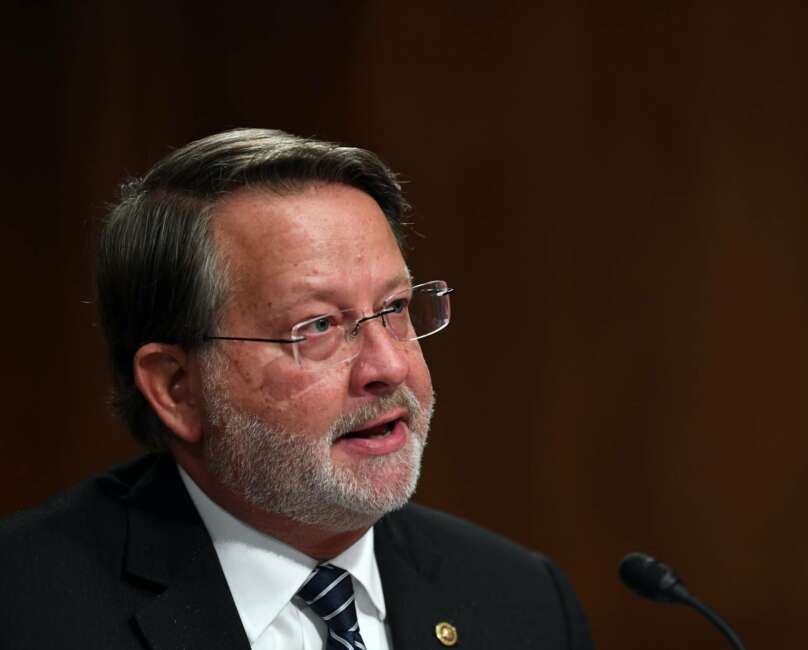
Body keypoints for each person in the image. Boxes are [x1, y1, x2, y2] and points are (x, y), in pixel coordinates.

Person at [0, 129, 594, 650]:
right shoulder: (26, 609)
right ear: (177, 388)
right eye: (317, 327)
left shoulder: (523, 602)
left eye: (393, 309)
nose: (387, 366)